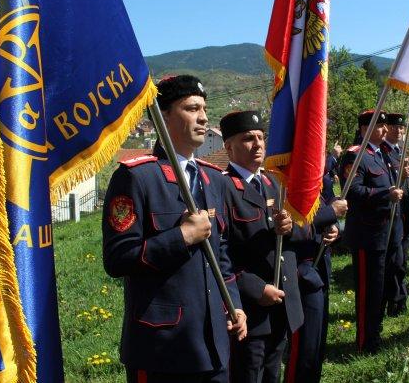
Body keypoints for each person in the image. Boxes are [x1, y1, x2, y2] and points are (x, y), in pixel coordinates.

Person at [102, 75, 247, 383]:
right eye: (192, 108)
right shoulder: (137, 177)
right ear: (162, 115)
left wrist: (234, 304)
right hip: (163, 348)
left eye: (204, 108)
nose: (204, 117)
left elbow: (221, 255)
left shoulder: (214, 179)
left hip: (213, 344)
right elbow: (118, 258)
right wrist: (181, 237)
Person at [219, 110, 298, 383]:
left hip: (280, 302)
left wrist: (288, 228)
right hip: (250, 309)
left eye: (261, 138)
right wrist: (255, 288)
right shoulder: (222, 187)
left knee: (272, 374)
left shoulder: (271, 182)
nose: (258, 145)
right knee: (248, 375)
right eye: (248, 139)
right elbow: (220, 252)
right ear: (229, 147)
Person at [339, 110, 403, 353]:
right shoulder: (355, 156)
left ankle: (376, 332)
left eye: (385, 126)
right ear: (365, 129)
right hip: (369, 235)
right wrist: (385, 194)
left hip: (387, 232)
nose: (385, 130)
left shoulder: (382, 154)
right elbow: (352, 191)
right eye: (379, 126)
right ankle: (366, 342)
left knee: (382, 288)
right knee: (369, 291)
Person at [283, 186, 347, 383]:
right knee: (304, 348)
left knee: (316, 345)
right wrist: (330, 213)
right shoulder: (278, 181)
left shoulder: (313, 182)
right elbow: (289, 228)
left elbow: (315, 215)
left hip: (319, 269)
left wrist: (333, 228)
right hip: (300, 273)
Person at [381, 113, 409, 315]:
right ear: (387, 129)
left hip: (407, 212)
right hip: (392, 214)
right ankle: (395, 298)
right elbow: (385, 184)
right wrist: (400, 175)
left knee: (402, 258)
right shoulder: (382, 151)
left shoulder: (402, 150)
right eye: (394, 127)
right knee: (395, 260)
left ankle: (399, 295)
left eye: (401, 128)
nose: (398, 131)